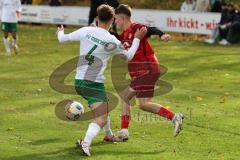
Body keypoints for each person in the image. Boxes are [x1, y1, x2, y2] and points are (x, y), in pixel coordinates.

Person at [57, 4, 147, 156]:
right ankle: (85, 142)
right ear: (112, 20)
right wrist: (137, 39)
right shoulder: (111, 40)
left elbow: (62, 39)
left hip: (80, 81)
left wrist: (60, 32)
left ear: (97, 18)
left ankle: (109, 135)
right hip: (92, 83)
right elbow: (128, 56)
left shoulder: (86, 30)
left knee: (105, 106)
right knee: (101, 116)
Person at [113, 4, 184, 141]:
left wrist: (162, 35)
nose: (116, 22)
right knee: (134, 100)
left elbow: (151, 29)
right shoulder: (125, 34)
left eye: (116, 19)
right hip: (143, 71)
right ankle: (124, 131)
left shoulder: (136, 28)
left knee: (134, 100)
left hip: (147, 69)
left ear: (123, 18)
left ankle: (174, 117)